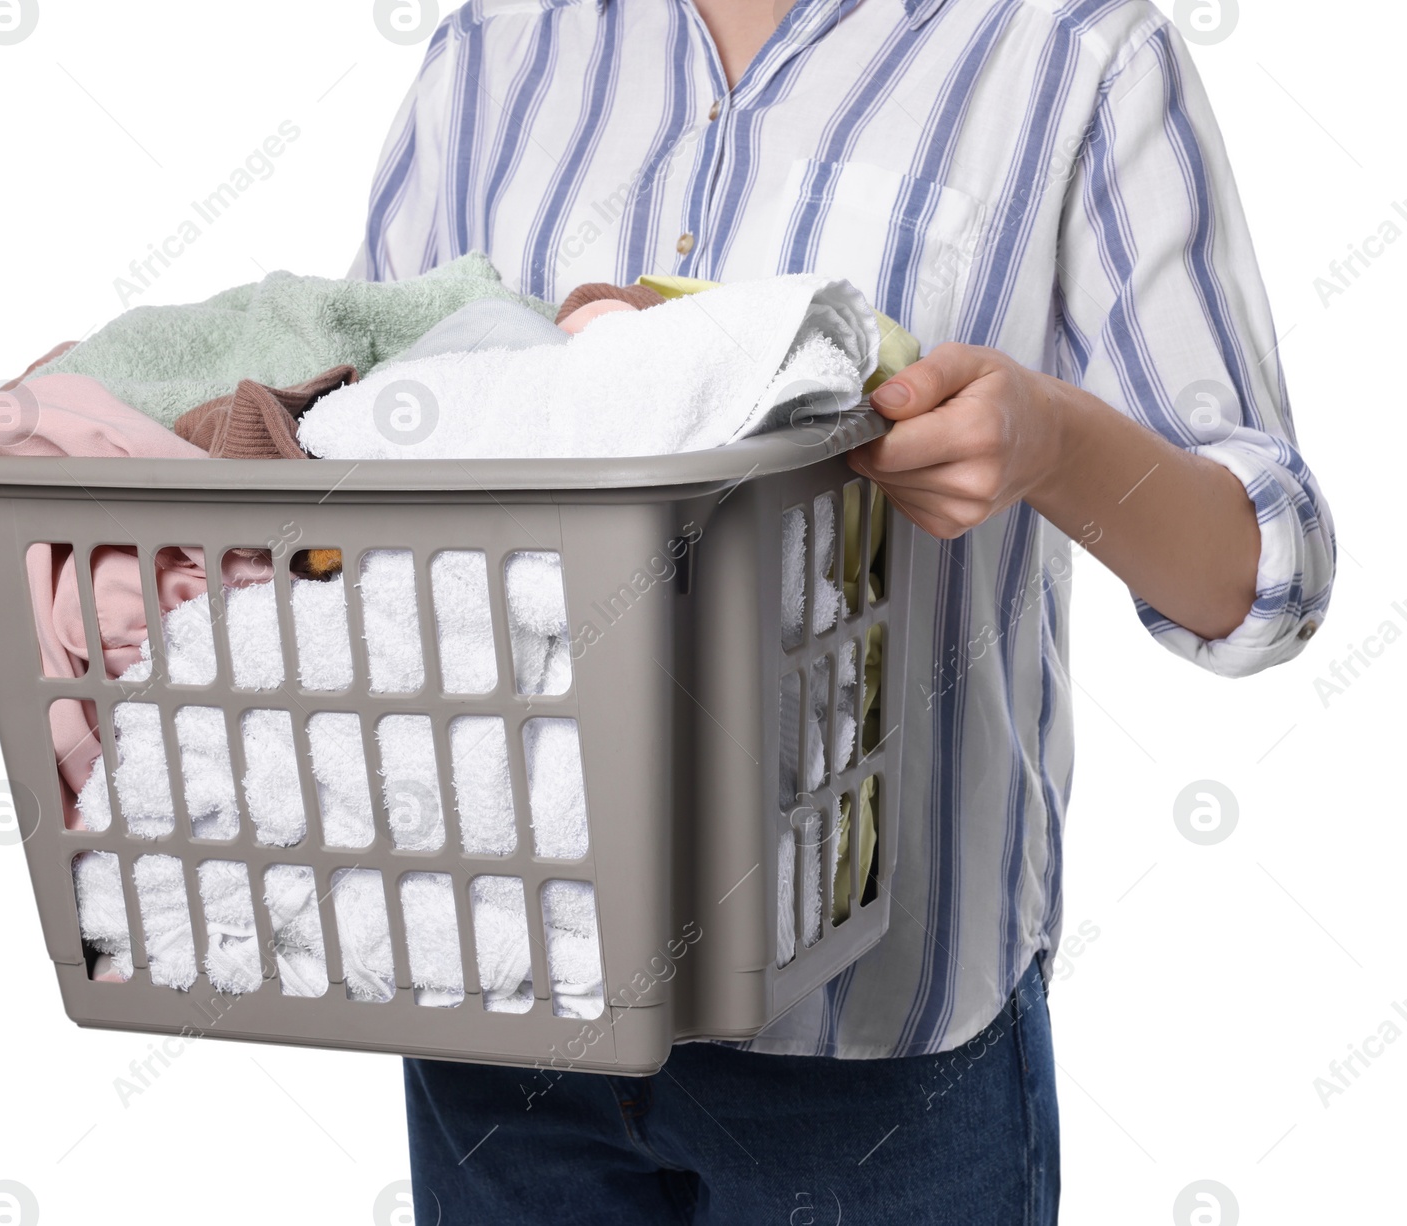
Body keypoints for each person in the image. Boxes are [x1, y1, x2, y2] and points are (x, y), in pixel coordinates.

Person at [350, 1, 1335, 1221]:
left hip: (881, 1052)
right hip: (498, 1000)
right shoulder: (496, 46)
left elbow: (1260, 576)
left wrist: (1053, 440)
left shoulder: (1068, 46)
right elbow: (352, 431)